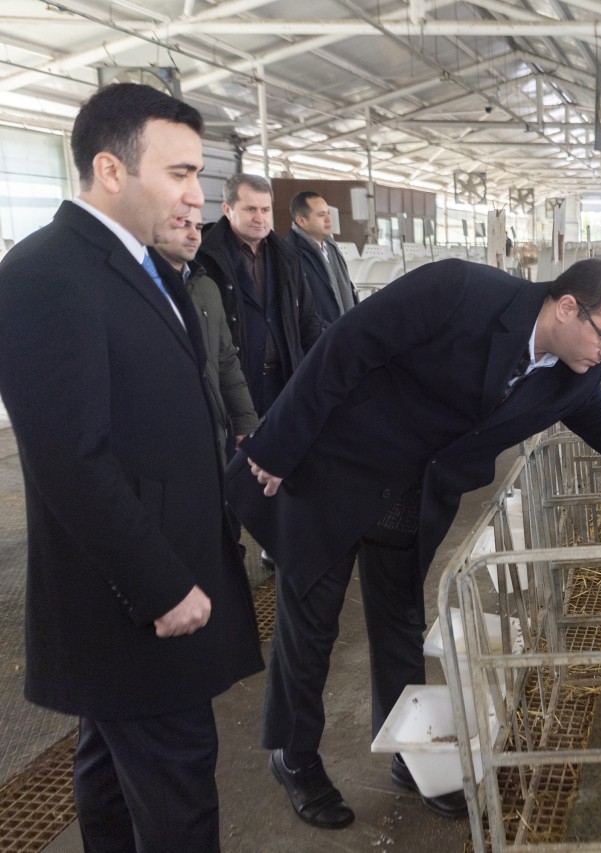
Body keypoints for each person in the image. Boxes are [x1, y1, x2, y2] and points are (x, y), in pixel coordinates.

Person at [225, 257, 601, 830]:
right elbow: (346, 346)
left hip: (413, 491)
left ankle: (411, 754)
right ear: (567, 307)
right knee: (312, 618)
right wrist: (278, 446)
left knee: (399, 618)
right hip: (337, 467)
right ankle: (294, 755)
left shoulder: (575, 377)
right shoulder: (459, 289)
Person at [0, 83, 263, 851]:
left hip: (162, 573)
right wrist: (160, 584)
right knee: (176, 787)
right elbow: (69, 458)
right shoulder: (46, 274)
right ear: (111, 170)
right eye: (180, 172)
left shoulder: (144, 265)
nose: (197, 194)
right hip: (135, 599)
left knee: (111, 769)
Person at [195, 172, 323, 420]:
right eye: (250, 209)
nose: (259, 218)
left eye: (265, 210)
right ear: (227, 209)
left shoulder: (287, 258)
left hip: (284, 382)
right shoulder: (207, 260)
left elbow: (308, 322)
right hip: (235, 388)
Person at [155, 209, 259, 463]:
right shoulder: (141, 288)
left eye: (198, 227)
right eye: (183, 225)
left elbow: (226, 358)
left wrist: (245, 420)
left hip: (211, 429)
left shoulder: (206, 287)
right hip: (162, 435)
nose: (193, 235)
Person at [287, 190, 358, 325]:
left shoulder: (332, 249)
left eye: (328, 213)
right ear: (301, 221)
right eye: (321, 215)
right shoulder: (291, 254)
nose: (328, 219)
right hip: (319, 337)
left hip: (342, 329)